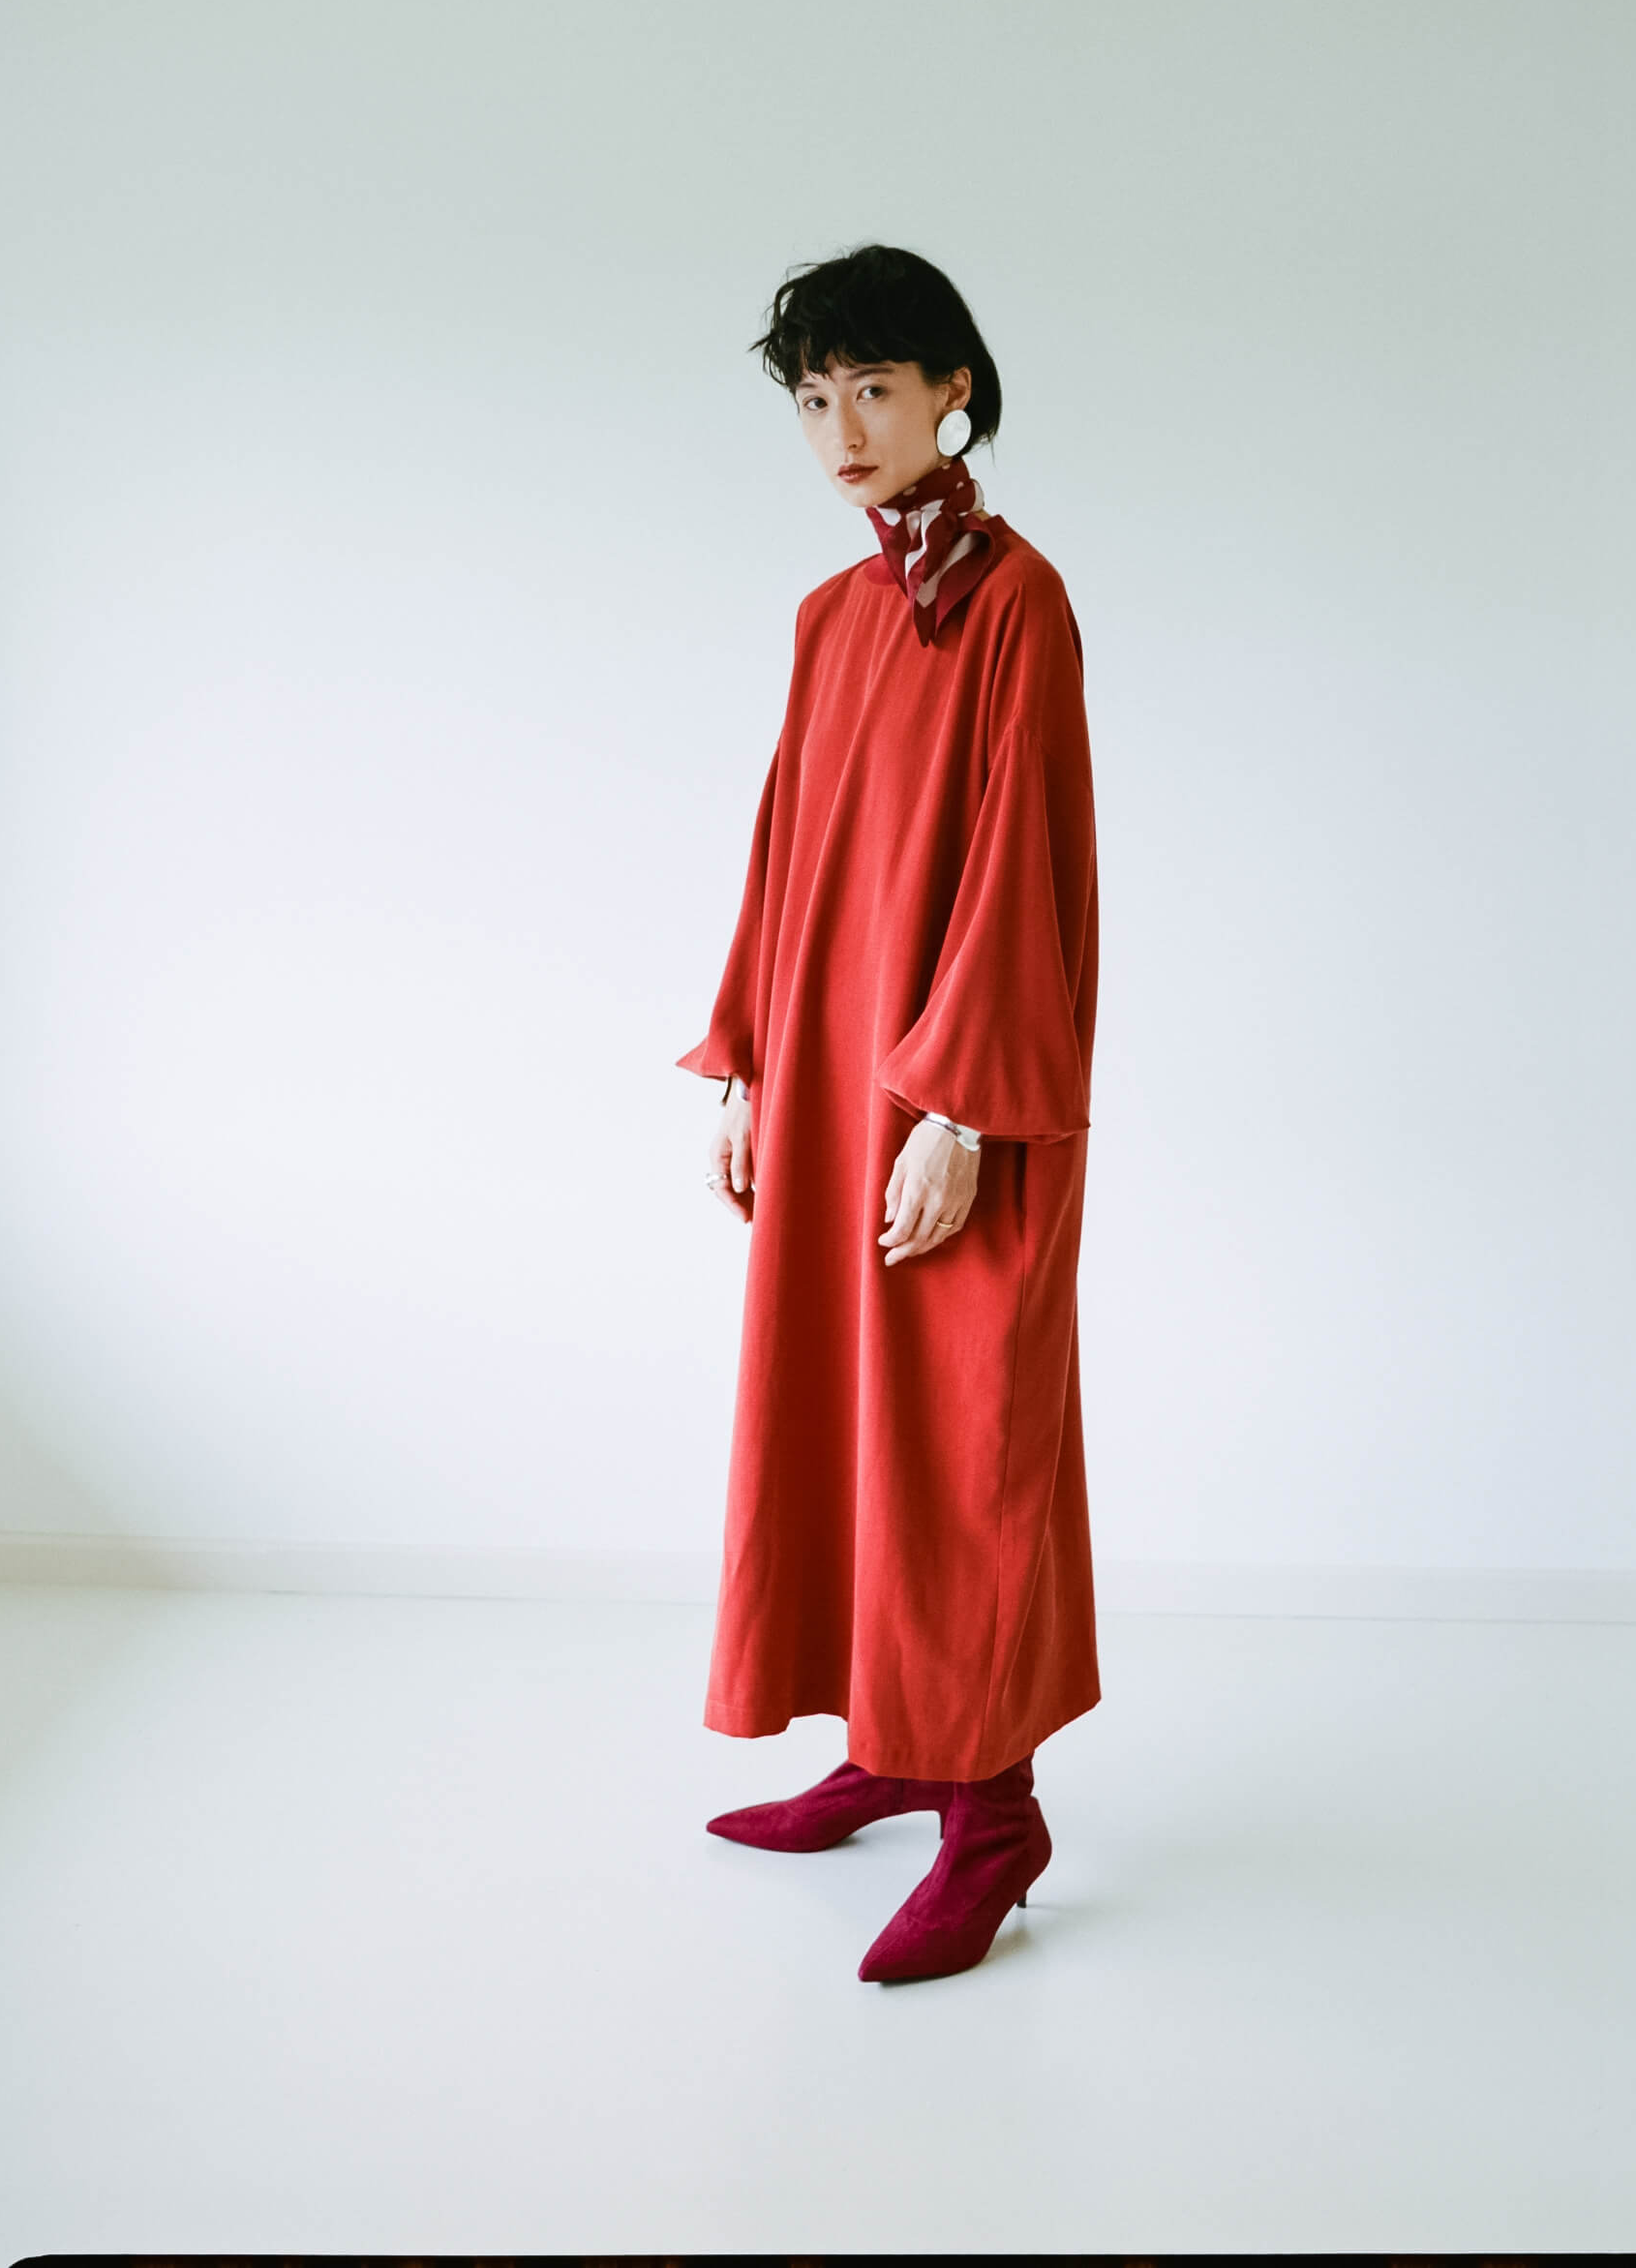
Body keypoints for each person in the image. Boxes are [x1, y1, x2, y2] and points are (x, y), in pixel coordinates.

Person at [676, 243, 1101, 1984]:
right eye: (811, 397)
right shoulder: (831, 618)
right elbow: (786, 853)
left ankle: (989, 1809)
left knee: (957, 1437)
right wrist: (750, 1064)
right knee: (840, 1417)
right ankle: (891, 1739)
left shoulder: (1015, 602)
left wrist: (962, 1113)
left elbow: (1023, 868)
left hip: (954, 1100)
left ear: (952, 395)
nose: (841, 428)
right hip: (829, 1081)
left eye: (872, 389)